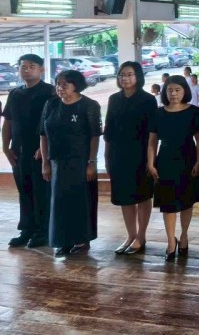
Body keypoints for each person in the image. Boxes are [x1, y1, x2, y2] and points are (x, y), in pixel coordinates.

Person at [39, 70, 102, 257]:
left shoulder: (89, 105)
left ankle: (81, 240)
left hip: (80, 162)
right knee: (59, 203)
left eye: (65, 84)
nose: (60, 87)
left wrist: (91, 162)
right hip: (57, 162)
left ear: (76, 85)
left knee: (80, 202)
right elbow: (43, 135)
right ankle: (63, 240)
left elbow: (94, 136)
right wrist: (45, 163)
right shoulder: (51, 104)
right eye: (58, 83)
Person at [148, 76, 199, 261]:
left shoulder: (193, 112)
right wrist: (150, 163)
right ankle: (170, 242)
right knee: (168, 203)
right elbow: (152, 142)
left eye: (177, 90)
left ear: (184, 91)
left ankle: (184, 236)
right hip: (165, 160)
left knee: (186, 201)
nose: (173, 94)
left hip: (188, 159)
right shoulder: (158, 113)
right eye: (169, 90)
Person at [2, 54, 55, 249]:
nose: (26, 70)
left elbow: (54, 123)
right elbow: (8, 122)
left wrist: (45, 149)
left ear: (41, 69)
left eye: (31, 66)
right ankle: (27, 229)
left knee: (41, 191)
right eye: (23, 66)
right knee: (24, 190)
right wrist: (5, 147)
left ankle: (44, 230)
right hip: (18, 151)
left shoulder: (50, 92)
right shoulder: (15, 93)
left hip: (40, 151)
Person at [104, 61, 157, 255]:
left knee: (142, 196)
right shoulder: (114, 99)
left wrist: (151, 160)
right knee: (125, 197)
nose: (124, 78)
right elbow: (108, 131)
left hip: (141, 154)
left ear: (138, 77)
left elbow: (153, 133)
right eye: (121, 75)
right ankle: (130, 235)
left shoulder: (148, 100)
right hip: (118, 154)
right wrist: (107, 156)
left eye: (129, 74)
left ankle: (141, 236)